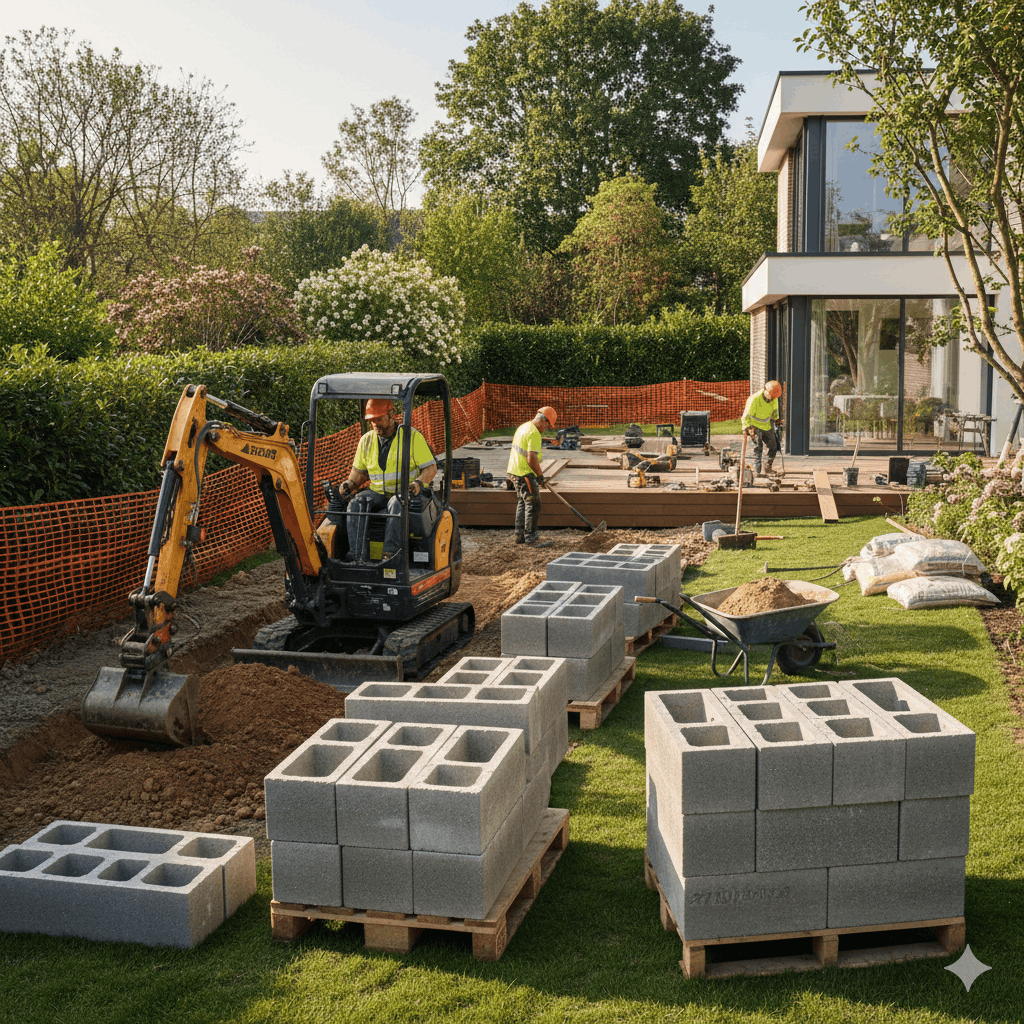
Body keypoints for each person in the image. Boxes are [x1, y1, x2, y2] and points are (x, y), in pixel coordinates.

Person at [340, 398, 437, 561]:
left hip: (405, 493)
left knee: (396, 502)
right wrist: (349, 484)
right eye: (372, 420)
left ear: (391, 415)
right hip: (377, 493)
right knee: (355, 503)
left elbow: (430, 468)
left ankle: (390, 555)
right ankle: (358, 557)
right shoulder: (366, 440)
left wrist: (419, 483)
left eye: (378, 419)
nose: (375, 424)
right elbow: (359, 473)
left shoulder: (411, 437)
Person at [507, 405, 557, 546]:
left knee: (523, 503)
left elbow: (526, 442)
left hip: (514, 470)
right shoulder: (534, 433)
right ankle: (531, 538)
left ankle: (520, 536)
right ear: (544, 421)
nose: (545, 429)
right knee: (533, 504)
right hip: (524, 473)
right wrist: (540, 476)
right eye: (547, 425)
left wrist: (546, 439)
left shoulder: (525, 427)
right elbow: (531, 459)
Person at [741, 380, 783, 474]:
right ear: (765, 390)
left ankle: (768, 468)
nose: (772, 399)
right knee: (758, 447)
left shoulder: (774, 398)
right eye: (771, 396)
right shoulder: (754, 399)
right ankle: (757, 470)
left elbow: (775, 411)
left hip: (766, 426)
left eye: (774, 397)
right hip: (754, 426)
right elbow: (745, 416)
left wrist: (776, 419)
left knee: (773, 447)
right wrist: (748, 428)